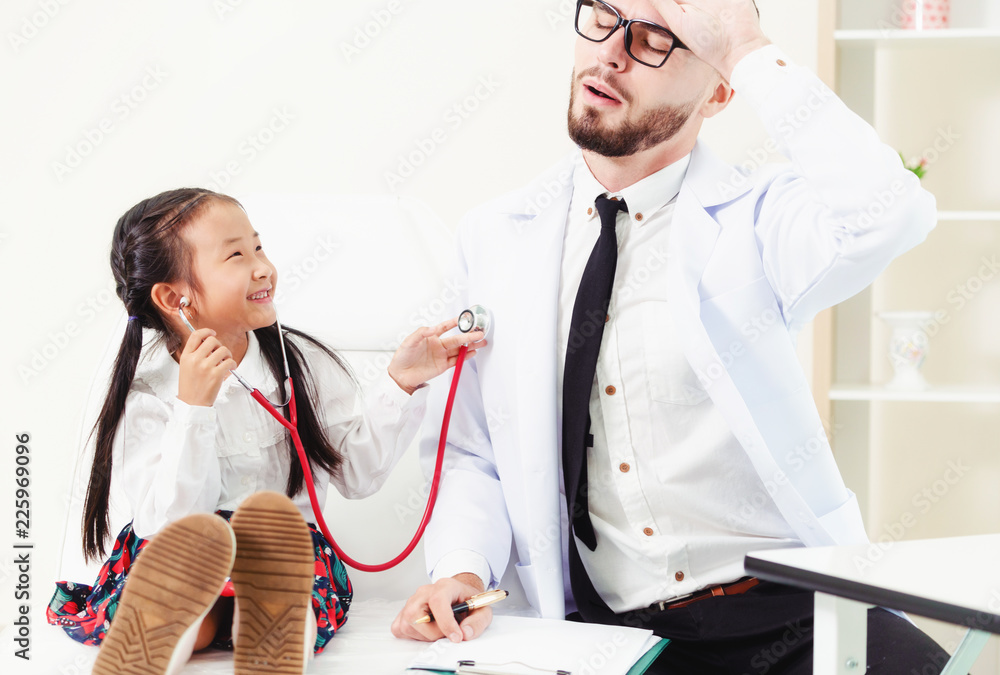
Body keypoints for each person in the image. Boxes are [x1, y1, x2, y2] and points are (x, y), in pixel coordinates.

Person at [392, 0, 951, 671]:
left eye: (657, 38)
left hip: (790, 610)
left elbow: (892, 213)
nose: (613, 53)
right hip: (614, 637)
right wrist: (460, 568)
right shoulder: (495, 237)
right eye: (603, 15)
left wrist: (744, 43)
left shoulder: (757, 218)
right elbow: (473, 449)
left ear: (719, 91)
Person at [46, 187, 484, 674]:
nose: (263, 267)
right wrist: (193, 407)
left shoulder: (301, 366)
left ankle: (271, 623)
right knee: (195, 595)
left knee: (279, 581)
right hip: (180, 550)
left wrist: (402, 382)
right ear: (175, 298)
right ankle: (172, 625)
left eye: (258, 247)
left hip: (282, 552)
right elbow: (169, 523)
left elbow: (356, 474)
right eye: (236, 255)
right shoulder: (147, 395)